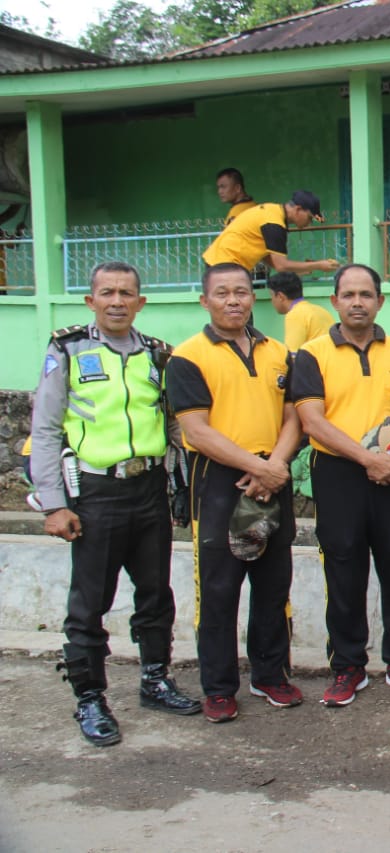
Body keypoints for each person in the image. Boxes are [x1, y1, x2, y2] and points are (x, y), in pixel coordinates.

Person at [29, 261, 199, 747]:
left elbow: (171, 427)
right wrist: (52, 505)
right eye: (107, 293)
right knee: (89, 603)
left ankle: (155, 679)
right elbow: (44, 429)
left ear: (140, 302)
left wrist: (178, 490)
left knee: (155, 593)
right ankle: (90, 698)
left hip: (147, 491)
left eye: (127, 293)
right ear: (91, 301)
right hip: (94, 493)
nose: (117, 301)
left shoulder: (156, 356)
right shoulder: (67, 348)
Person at [166, 262, 303, 723]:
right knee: (219, 590)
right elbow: (197, 431)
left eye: (242, 292)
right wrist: (256, 467)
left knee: (273, 585)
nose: (233, 301)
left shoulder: (279, 353)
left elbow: (293, 419)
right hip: (220, 483)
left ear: (254, 297)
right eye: (222, 293)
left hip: (272, 478)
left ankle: (270, 676)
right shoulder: (188, 357)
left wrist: (275, 467)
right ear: (204, 300)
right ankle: (219, 687)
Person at [292, 263, 390, 707]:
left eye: (366, 294)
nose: (357, 302)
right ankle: (348, 665)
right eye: (348, 294)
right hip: (338, 475)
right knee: (343, 565)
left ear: (379, 301)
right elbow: (311, 419)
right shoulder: (312, 355)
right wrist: (366, 458)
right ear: (334, 301)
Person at [202, 190, 341, 277]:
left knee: (237, 317)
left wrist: (305, 269)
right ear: (298, 209)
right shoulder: (274, 224)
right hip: (225, 266)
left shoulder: (272, 211)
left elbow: (271, 261)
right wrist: (318, 265)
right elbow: (281, 265)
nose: (309, 223)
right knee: (237, 316)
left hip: (219, 263)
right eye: (310, 217)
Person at [267, 270, 334, 352]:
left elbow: (292, 356)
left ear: (280, 296)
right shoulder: (321, 310)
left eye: (271, 296)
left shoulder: (295, 315)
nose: (272, 301)